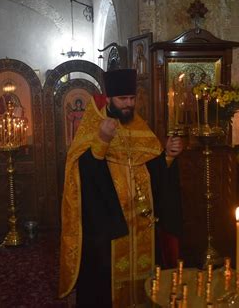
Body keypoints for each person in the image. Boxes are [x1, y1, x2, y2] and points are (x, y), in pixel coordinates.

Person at [59, 69, 183, 307]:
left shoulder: (140, 127)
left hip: (143, 222)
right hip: (108, 226)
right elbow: (82, 173)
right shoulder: (93, 125)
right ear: (108, 100)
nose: (129, 104)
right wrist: (102, 141)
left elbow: (155, 170)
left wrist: (168, 156)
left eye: (132, 99)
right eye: (122, 99)